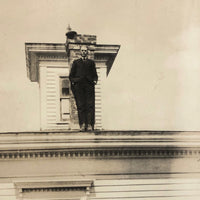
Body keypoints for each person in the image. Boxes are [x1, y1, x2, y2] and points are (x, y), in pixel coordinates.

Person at [69, 45, 98, 131]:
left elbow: (95, 75)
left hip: (89, 86)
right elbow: (71, 76)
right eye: (82, 50)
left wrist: (94, 80)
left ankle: (89, 124)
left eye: (85, 51)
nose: (84, 52)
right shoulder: (76, 62)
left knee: (89, 105)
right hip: (79, 87)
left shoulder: (91, 62)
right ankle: (82, 124)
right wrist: (75, 82)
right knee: (81, 105)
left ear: (87, 52)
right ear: (80, 52)